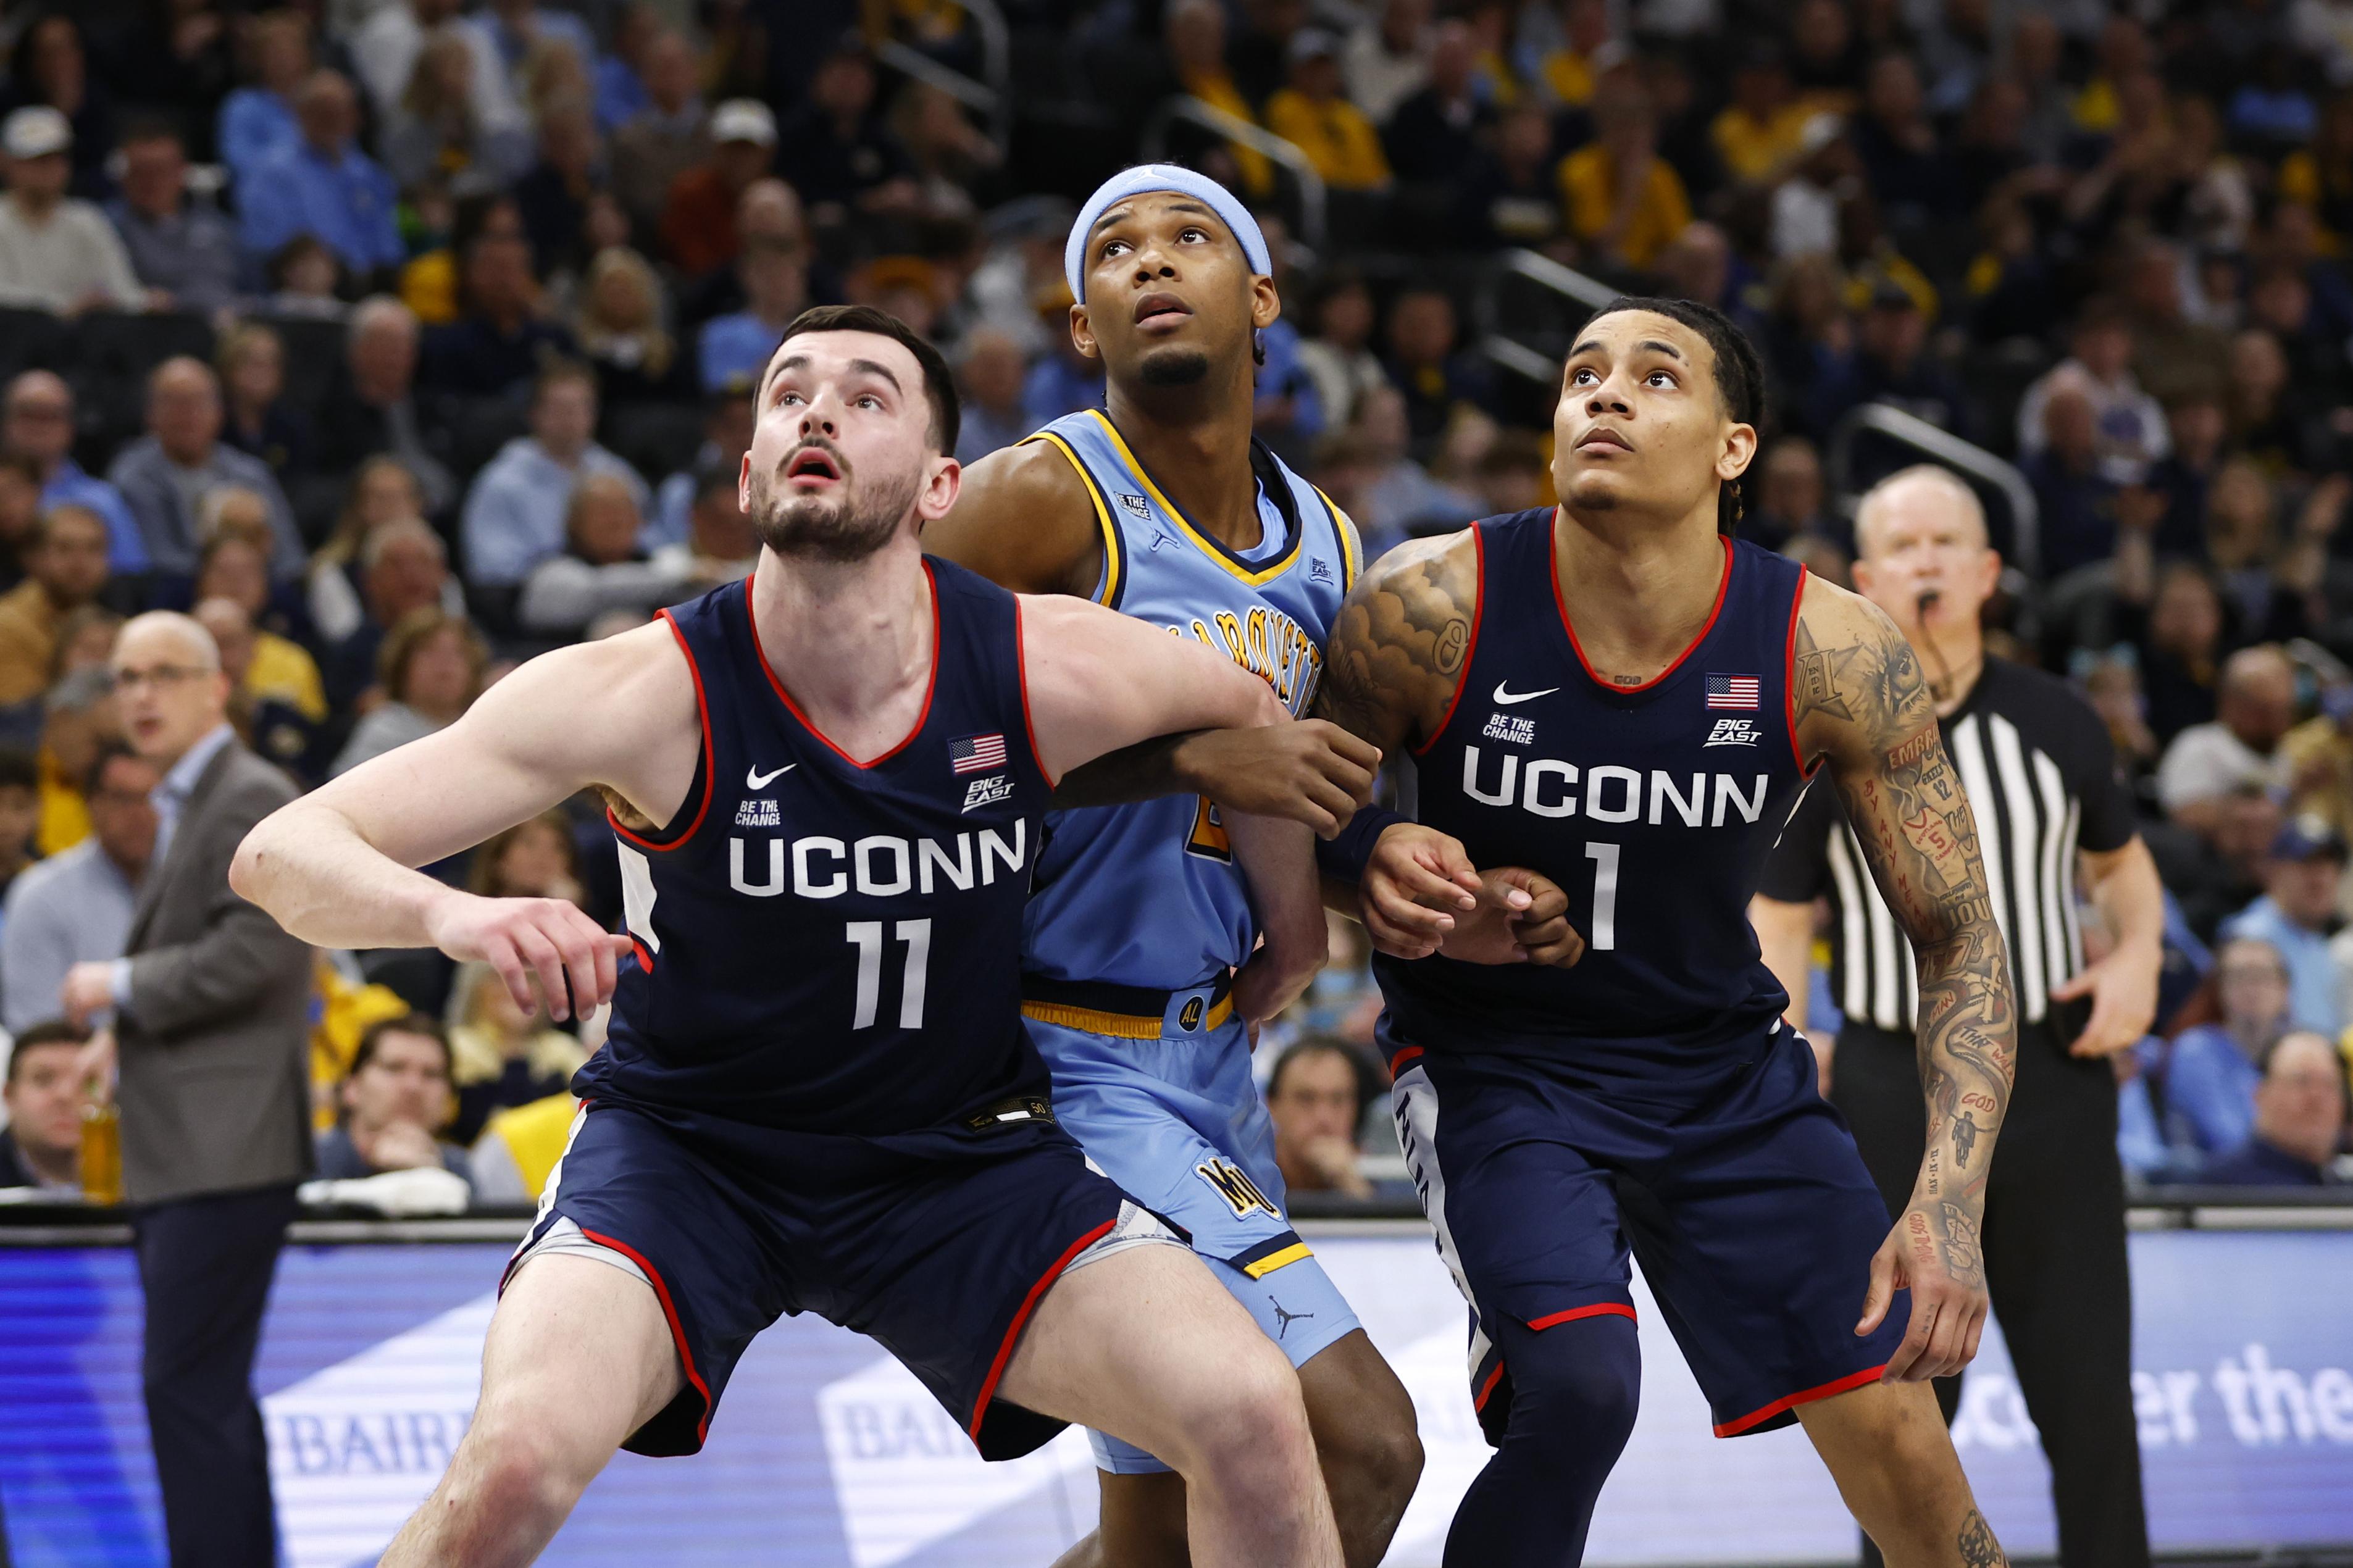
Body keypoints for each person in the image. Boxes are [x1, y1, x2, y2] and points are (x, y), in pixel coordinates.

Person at [232, 304, 1352, 1568]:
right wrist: (452, 910)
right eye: (787, 394)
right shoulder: (646, 690)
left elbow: (1262, 712)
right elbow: (277, 854)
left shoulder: (1037, 663)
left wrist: (1294, 930)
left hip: (955, 1161)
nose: (817, 410)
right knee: (515, 1467)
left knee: (1254, 1411)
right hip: (688, 1156)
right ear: (754, 466)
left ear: (940, 485)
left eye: (868, 395)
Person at [1311, 297, 2018, 1566]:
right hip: (1496, 1065)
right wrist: (1378, 864)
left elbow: (1960, 935)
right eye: (1581, 374)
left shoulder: (1833, 649)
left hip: (1721, 1073)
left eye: (1653, 375)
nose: (1604, 394)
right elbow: (1292, 820)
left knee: (1912, 1463)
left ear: (1734, 447)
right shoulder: (1425, 605)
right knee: (1580, 1393)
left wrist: (1950, 1203)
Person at [930, 167, 1422, 1568]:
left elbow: (1305, 804)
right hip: (1057, 1055)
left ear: (1260, 299)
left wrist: (1394, 872)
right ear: (1080, 326)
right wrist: (1189, 759)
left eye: (1189, 238)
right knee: (1355, 1439)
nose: (1149, 262)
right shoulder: (1039, 496)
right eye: (1113, 252)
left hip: (1213, 1061)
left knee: (1153, 1526)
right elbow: (884, 742)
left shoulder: (1328, 545)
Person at [1753, 464, 2162, 1568]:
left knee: (2089, 1404)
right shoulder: (1828, 730)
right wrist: (1793, 1038)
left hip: (2053, 1094)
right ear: (1867, 578)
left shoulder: (2055, 718)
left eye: (1948, 544)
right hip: (1889, 1092)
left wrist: (2137, 963)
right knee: (1900, 1411)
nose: (1927, 562)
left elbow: (2126, 874)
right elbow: (1779, 918)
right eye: (1905, 546)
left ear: (1987, 574)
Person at [57, 612, 311, 1568]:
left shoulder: (243, 790)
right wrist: (121, 1037)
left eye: (163, 673)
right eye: (125, 678)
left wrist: (116, 987)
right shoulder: (200, 798)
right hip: (201, 1146)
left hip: (224, 1146)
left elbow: (259, 948)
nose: (139, 695)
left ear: (217, 687)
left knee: (185, 1390)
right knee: (205, 1392)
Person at [2, 743, 155, 1035]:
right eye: (123, 799)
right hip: (76, 1072)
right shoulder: (41, 895)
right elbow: (35, 1034)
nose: (140, 813)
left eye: (151, 797)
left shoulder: (196, 881)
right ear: (91, 803)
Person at [106, 358, 305, 580]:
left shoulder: (253, 475)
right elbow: (157, 563)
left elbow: (290, 559)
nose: (187, 414)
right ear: (150, 414)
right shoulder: (133, 476)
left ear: (219, 412)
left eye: (198, 402)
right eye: (174, 403)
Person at [460, 363, 648, 592]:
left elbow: (651, 539)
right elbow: (491, 569)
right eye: (560, 408)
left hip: (623, 585)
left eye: (580, 407)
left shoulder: (615, 472)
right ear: (534, 414)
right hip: (537, 599)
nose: (570, 418)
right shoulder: (501, 483)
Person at [236, 70, 404, 284]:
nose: (334, 120)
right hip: (300, 290)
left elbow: (388, 246)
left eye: (341, 110)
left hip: (367, 289)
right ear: (301, 114)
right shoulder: (271, 172)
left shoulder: (368, 174)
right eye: (323, 111)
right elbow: (270, 249)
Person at [0, 106, 143, 315]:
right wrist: (66, 307)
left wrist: (146, 302)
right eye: (38, 160)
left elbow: (121, 288)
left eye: (58, 158)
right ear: (8, 163)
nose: (50, 168)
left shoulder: (88, 219)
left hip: (85, 338)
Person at [2, 372, 147, 575]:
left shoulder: (103, 502)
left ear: (70, 427)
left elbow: (130, 578)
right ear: (7, 423)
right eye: (28, 414)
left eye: (51, 416)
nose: (39, 427)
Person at [2165, 935, 2292, 1163]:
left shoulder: (2297, 1052)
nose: (2252, 989)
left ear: (2286, 991)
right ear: (2220, 990)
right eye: (2240, 977)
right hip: (2219, 1185)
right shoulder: (2196, 1050)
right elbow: (2229, 1139)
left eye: (2263, 977)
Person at [2218, 818, 2347, 1036]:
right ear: (2274, 871)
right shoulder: (2249, 937)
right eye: (2308, 864)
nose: (2322, 878)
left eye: (2329, 865)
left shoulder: (2317, 940)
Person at [316, 1013, 475, 1183]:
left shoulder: (459, 1171)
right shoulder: (308, 1162)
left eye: (431, 1074)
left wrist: (431, 1179)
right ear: (352, 1088)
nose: (413, 1087)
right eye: (394, 1068)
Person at [330, 606, 486, 777]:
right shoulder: (382, 729)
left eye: (458, 653)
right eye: (429, 651)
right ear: (403, 667)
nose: (445, 662)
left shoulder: (486, 728)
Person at [2156, 645, 2296, 834]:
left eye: (2283, 710)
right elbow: (2186, 815)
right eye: (2264, 710)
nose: (2276, 721)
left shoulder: (2293, 751)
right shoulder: (2200, 745)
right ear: (2230, 703)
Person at [105, 121, 240, 315]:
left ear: (182, 172)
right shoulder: (107, 227)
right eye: (141, 172)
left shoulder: (219, 227)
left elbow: (246, 289)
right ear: (124, 177)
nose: (151, 183)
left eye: (160, 171)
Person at [2196, 1032, 2348, 1186]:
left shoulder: (2343, 1185)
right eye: (2302, 1082)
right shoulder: (2223, 1188)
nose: (2317, 1099)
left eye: (2329, 1085)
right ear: (2261, 1094)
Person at [0, 504, 111, 712]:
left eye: (94, 548)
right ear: (33, 558)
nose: (80, 563)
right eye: (64, 548)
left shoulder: (114, 626)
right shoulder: (6, 626)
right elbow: (18, 724)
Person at [1266, 1038, 1374, 1199]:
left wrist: (1353, 1186)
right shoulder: (1242, 1176)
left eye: (1338, 1099)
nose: (1324, 1118)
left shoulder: (1384, 1170)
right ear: (1272, 1106)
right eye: (1306, 1098)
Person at [0, 1020, 88, 1190]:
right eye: (44, 1079)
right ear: (9, 1097)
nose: (65, 1095)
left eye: (87, 1082)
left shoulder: (149, 1182)